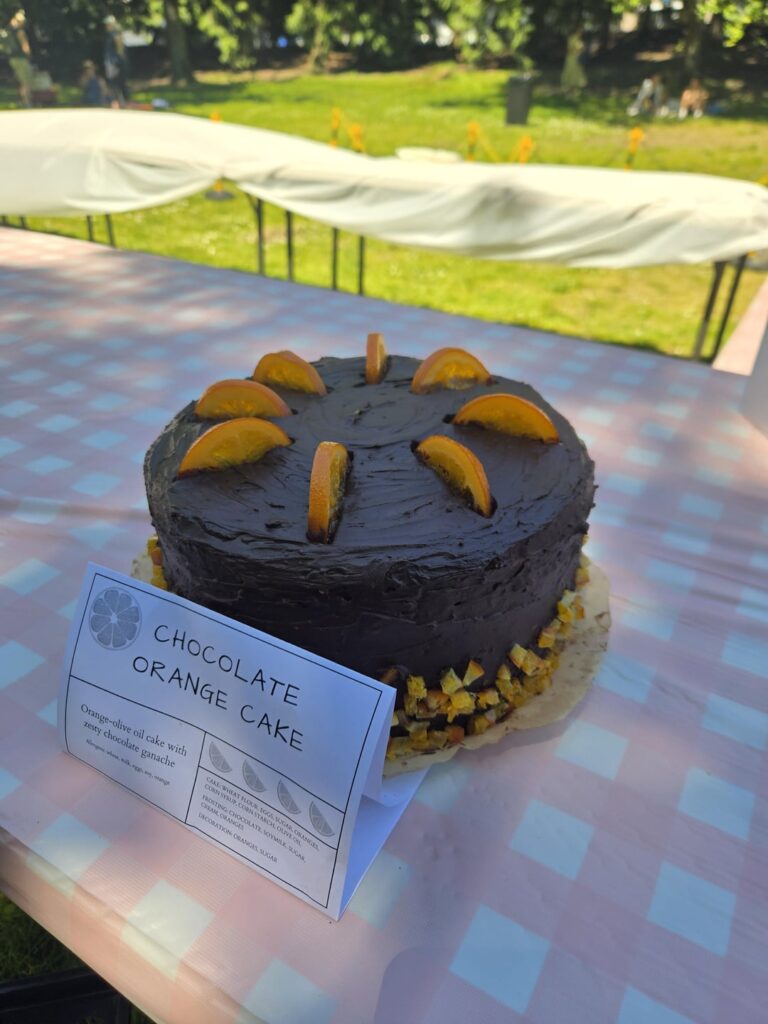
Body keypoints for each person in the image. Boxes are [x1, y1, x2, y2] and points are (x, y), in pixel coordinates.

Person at [6, 10, 33, 108]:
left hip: (12, 59)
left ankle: (23, 101)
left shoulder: (10, 31)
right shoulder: (20, 32)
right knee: (26, 81)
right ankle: (27, 102)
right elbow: (25, 47)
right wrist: (29, 55)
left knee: (21, 81)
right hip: (21, 59)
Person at [103, 14, 129, 107]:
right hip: (112, 61)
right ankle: (118, 101)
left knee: (115, 82)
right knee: (115, 82)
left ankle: (118, 102)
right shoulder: (111, 34)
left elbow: (119, 46)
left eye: (108, 24)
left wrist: (120, 58)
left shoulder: (115, 34)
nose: (106, 26)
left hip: (114, 62)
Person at [561, 29, 587, 97]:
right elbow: (571, 49)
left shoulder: (578, 39)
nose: (581, 33)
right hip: (572, 59)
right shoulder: (572, 39)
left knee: (576, 75)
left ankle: (573, 92)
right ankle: (569, 92)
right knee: (572, 74)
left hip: (576, 59)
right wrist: (579, 49)